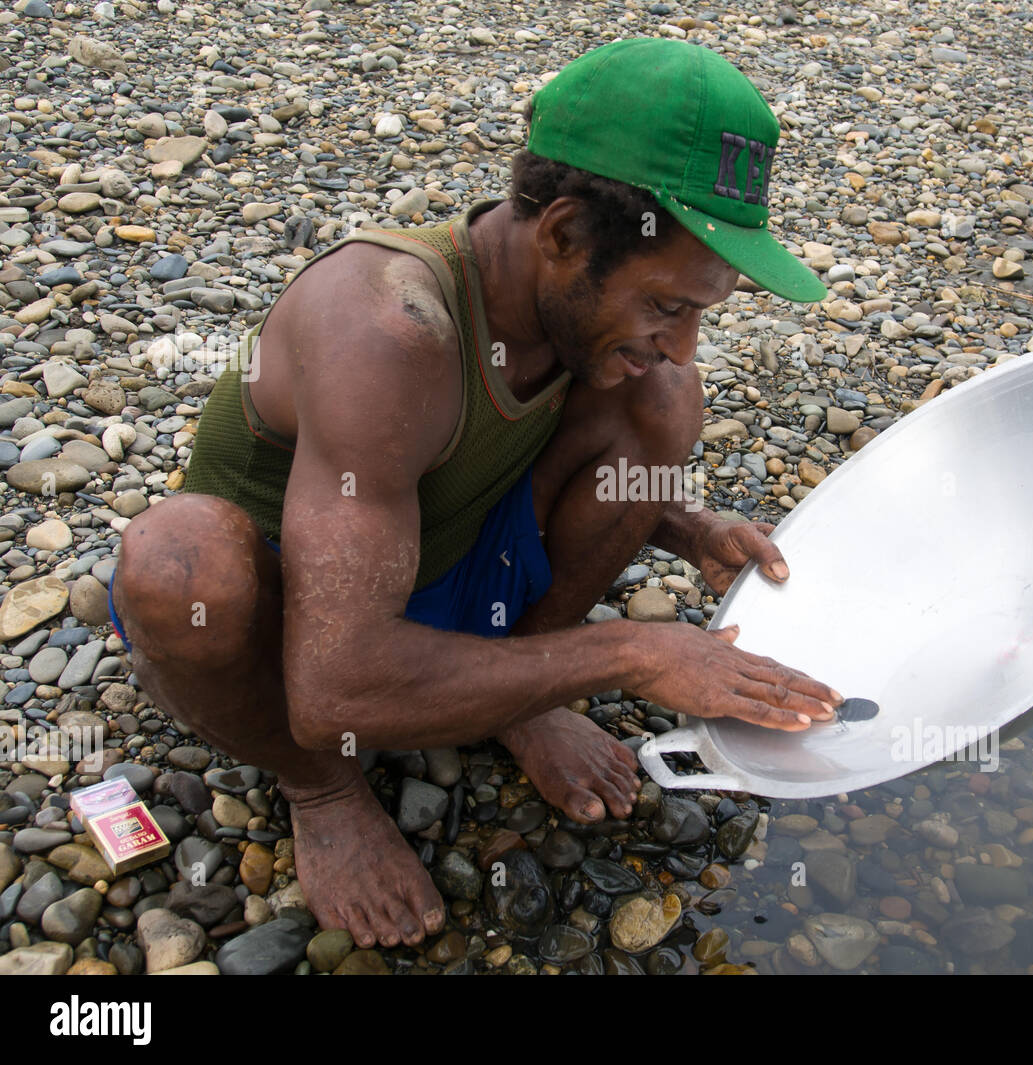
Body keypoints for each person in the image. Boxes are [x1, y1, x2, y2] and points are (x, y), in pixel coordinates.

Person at [108, 37, 842, 951]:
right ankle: (322, 790)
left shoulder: (565, 310)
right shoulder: (388, 330)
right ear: (565, 236)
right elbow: (335, 688)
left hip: (436, 555)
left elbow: (541, 448)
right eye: (668, 306)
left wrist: (679, 523)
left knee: (659, 399)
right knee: (179, 565)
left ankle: (514, 693)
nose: (685, 339)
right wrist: (628, 650)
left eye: (701, 310)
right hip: (297, 625)